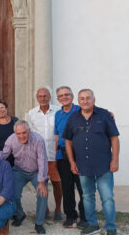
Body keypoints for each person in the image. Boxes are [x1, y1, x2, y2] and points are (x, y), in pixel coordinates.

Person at [63, 89, 120, 235]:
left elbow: (114, 138)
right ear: (78, 100)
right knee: (87, 197)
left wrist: (115, 160)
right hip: (83, 166)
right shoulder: (73, 118)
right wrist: (71, 162)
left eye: (88, 98)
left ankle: (111, 227)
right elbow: (68, 141)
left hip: (104, 165)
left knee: (107, 197)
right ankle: (93, 225)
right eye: (82, 98)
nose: (85, 101)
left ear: (94, 99)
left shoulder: (105, 115)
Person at [0, 120, 48, 234]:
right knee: (13, 193)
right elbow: (4, 154)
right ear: (15, 132)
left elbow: (42, 161)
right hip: (19, 170)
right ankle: (20, 215)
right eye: (18, 133)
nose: (21, 136)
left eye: (24, 132)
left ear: (29, 131)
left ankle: (39, 223)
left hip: (36, 171)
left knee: (43, 194)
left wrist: (41, 182)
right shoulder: (11, 139)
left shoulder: (38, 140)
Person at [27, 87, 62, 220]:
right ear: (37, 98)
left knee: (57, 183)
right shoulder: (31, 113)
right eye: (40, 96)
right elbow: (29, 133)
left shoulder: (58, 111)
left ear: (50, 96)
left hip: (55, 154)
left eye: (45, 95)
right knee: (41, 183)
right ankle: (45, 208)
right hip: (39, 155)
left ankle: (58, 209)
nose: (43, 98)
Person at [55, 86, 86, 228]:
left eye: (67, 94)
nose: (64, 97)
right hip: (62, 155)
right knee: (67, 187)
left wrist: (109, 114)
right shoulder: (58, 114)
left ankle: (85, 216)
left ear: (72, 97)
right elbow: (57, 135)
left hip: (79, 153)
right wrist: (55, 154)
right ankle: (70, 215)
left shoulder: (81, 110)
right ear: (58, 99)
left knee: (83, 186)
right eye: (61, 95)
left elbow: (97, 113)